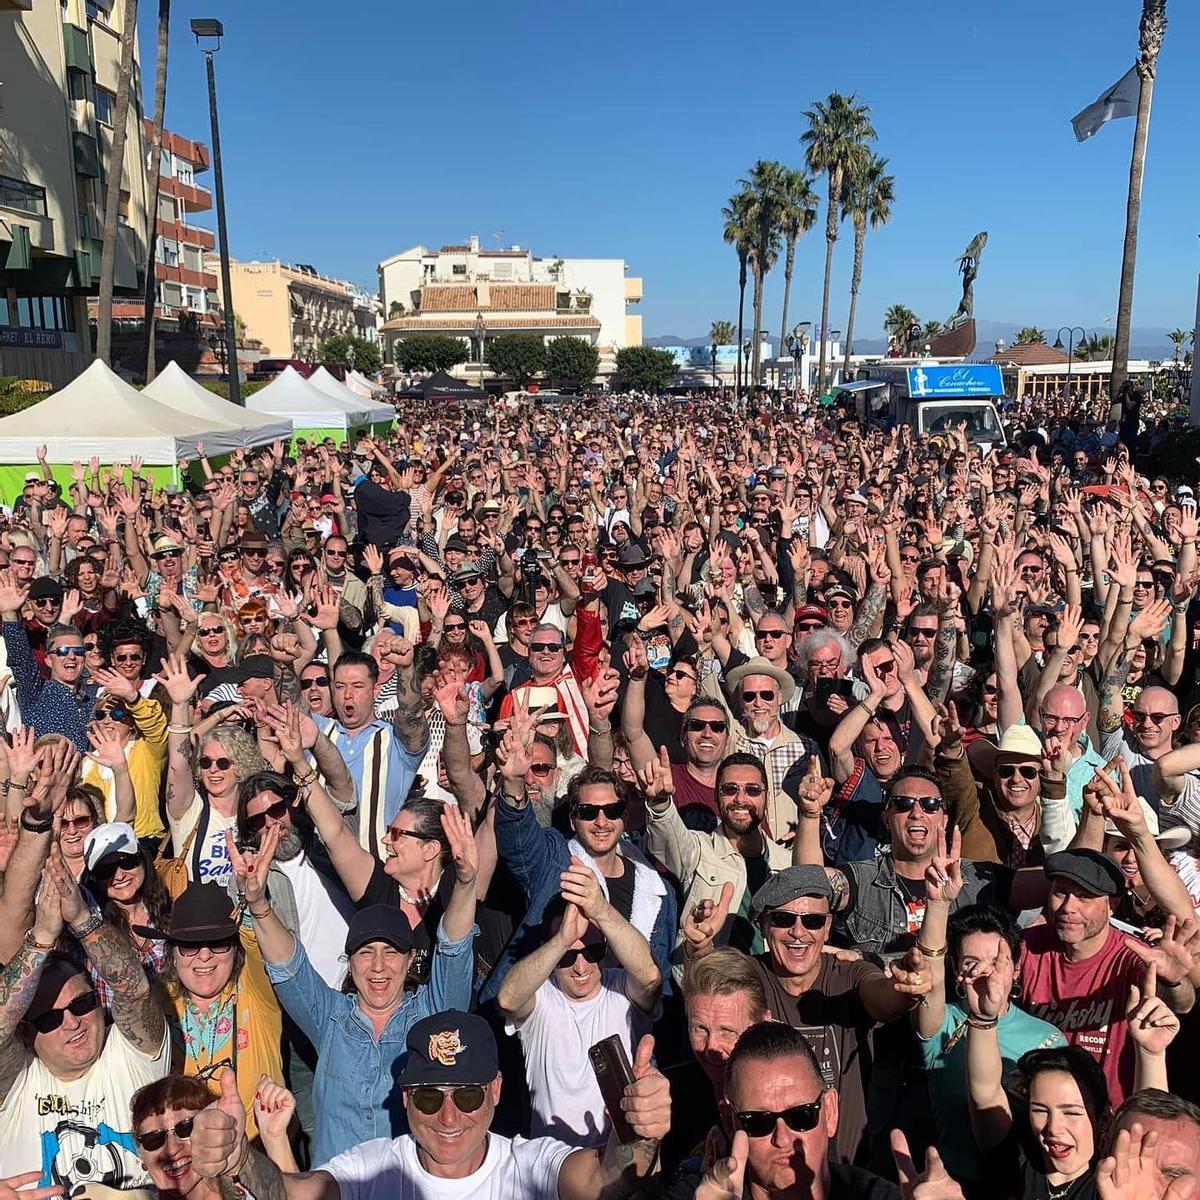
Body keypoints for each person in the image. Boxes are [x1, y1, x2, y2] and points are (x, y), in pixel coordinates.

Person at [188, 1010, 673, 1200]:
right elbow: (294, 1194)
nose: (448, 1117)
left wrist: (638, 1134)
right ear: (405, 1098)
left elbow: (605, 1181)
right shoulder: (372, 1169)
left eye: (467, 1094)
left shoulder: (530, 1166)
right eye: (427, 1097)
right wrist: (239, 1161)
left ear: (497, 1091)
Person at [231, 804, 479, 1166]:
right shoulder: (329, 1017)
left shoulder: (433, 1014)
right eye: (365, 953)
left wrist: (467, 882)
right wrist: (257, 904)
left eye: (391, 953)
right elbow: (288, 966)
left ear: (411, 960)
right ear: (350, 962)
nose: (378, 967)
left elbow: (454, 946)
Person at [0, 845, 169, 1190]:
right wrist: (42, 938)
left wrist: (82, 918)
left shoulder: (129, 1054)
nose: (72, 1023)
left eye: (82, 1004)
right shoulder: (17, 1083)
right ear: (27, 1033)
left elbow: (134, 989)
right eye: (49, 1019)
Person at [686, 1021, 961, 1200]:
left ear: (830, 1111)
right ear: (731, 1122)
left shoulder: (875, 1196)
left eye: (801, 1115)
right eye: (758, 1121)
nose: (783, 1139)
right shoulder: (701, 1194)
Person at [496, 864, 661, 1147]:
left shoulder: (621, 986)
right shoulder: (542, 995)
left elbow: (650, 977)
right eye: (567, 957)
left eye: (594, 951)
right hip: (552, 1165)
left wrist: (600, 909)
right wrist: (563, 939)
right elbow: (507, 999)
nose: (581, 967)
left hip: (618, 1157)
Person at [137, 881, 283, 1142]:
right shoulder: (158, 1001)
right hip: (186, 1163)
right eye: (189, 946)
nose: (204, 956)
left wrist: (254, 897)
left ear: (235, 949)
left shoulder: (256, 992)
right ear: (173, 954)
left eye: (218, 943)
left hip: (259, 1156)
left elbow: (258, 945)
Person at [644, 750, 792, 971]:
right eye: (730, 790)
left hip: (770, 984)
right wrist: (659, 801)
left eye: (752, 790)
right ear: (716, 796)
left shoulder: (786, 860)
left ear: (767, 798)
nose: (740, 799)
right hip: (710, 984)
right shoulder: (699, 849)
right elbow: (666, 833)